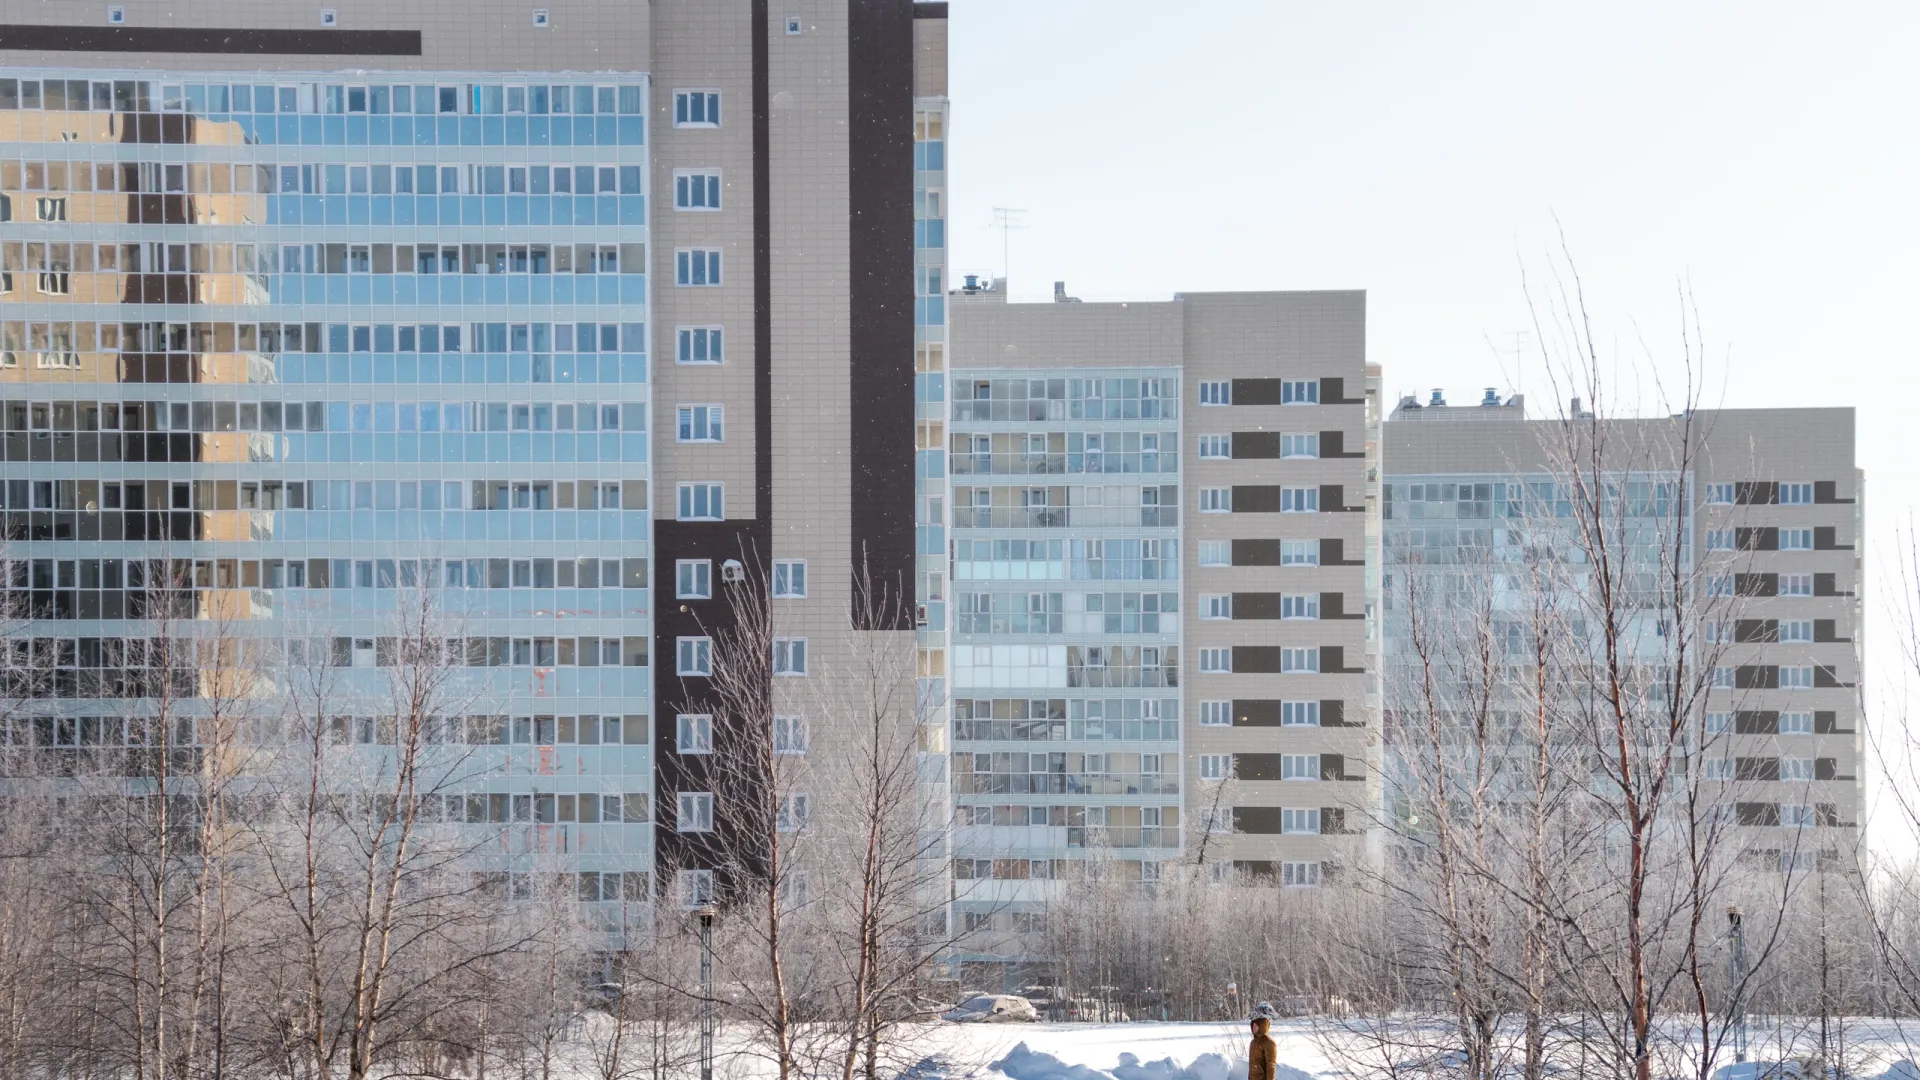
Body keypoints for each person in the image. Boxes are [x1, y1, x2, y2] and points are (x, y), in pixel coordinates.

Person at [1248, 1014, 1277, 1080]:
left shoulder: (1269, 1043)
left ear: (1262, 1027)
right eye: (1253, 1026)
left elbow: (1271, 1065)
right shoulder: (1253, 1042)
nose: (1254, 1028)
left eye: (1256, 1026)